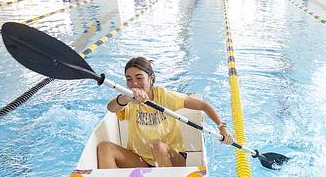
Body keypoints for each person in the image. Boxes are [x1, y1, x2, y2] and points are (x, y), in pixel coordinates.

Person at [97, 57, 233, 169]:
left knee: (158, 147)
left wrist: (222, 127)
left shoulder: (165, 96)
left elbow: (203, 105)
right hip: (143, 162)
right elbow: (111, 108)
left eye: (139, 78)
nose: (134, 84)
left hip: (173, 160)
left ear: (151, 78)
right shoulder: (127, 99)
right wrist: (125, 97)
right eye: (129, 79)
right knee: (105, 148)